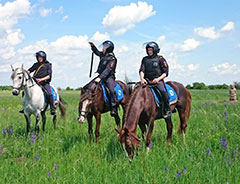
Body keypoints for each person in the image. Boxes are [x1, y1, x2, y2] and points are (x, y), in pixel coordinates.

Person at [139, 41, 171, 118]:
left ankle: (167, 109)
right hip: (147, 81)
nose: (149, 51)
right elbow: (142, 70)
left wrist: (158, 79)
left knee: (163, 91)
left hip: (158, 81)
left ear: (155, 50)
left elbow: (165, 73)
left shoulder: (160, 59)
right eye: (148, 50)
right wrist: (142, 79)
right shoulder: (144, 59)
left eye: (151, 50)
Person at [86, 40, 118, 116]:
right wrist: (92, 46)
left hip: (109, 77)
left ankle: (114, 107)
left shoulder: (112, 59)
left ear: (109, 48)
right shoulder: (103, 55)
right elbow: (97, 52)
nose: (103, 48)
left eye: (105, 47)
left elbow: (108, 70)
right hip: (100, 76)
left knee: (112, 90)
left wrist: (100, 78)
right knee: (88, 87)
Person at [19, 51, 56, 115]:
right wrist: (24, 72)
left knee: (49, 94)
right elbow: (29, 70)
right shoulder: (36, 64)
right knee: (24, 92)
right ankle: (25, 107)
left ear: (44, 57)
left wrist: (41, 79)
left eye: (41, 57)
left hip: (44, 83)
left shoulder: (48, 65)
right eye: (38, 57)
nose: (39, 58)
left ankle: (52, 108)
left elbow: (49, 76)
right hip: (35, 82)